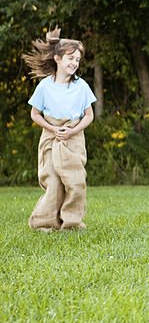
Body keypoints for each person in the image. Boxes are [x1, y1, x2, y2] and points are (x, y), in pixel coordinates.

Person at [23, 27, 96, 231]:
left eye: (78, 60)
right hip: (51, 137)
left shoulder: (81, 86)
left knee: (75, 181)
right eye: (70, 58)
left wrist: (72, 131)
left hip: (73, 138)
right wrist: (52, 129)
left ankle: (71, 222)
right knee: (53, 182)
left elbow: (89, 115)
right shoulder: (45, 87)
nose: (74, 63)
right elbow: (35, 114)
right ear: (57, 58)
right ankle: (44, 222)